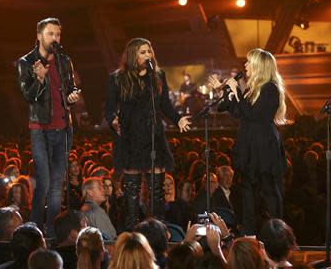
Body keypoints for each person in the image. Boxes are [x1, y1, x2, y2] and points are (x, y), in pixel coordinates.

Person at [105, 38, 191, 229]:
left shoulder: (157, 75)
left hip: (154, 135)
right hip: (130, 135)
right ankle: (132, 230)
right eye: (143, 52)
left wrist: (178, 119)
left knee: (157, 189)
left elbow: (165, 105)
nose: (147, 55)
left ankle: (158, 229)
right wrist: (113, 120)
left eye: (149, 51)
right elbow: (110, 108)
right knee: (132, 191)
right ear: (132, 54)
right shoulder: (118, 78)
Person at [211, 48, 288, 235]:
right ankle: (249, 232)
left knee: (268, 188)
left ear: (259, 66)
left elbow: (254, 115)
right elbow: (239, 112)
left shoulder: (270, 88)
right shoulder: (253, 88)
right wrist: (225, 92)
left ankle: (278, 232)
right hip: (249, 144)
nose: (244, 66)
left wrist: (238, 90)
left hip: (263, 145)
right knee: (247, 188)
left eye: (248, 62)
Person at [17, 17, 80, 237]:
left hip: (63, 128)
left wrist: (73, 95)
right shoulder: (26, 62)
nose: (55, 38)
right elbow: (28, 96)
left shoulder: (64, 61)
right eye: (50, 33)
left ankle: (52, 233)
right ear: (39, 36)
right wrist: (40, 80)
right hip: (40, 129)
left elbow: (72, 87)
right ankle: (34, 233)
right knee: (43, 180)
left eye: (58, 34)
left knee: (56, 185)